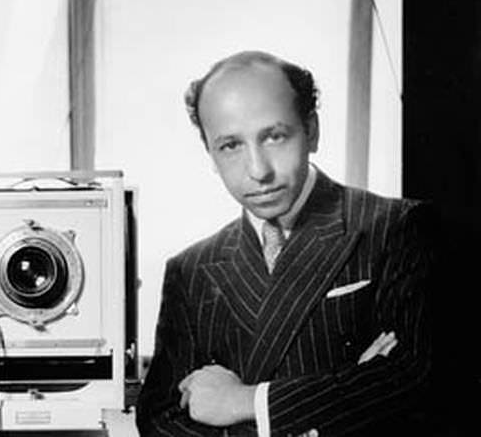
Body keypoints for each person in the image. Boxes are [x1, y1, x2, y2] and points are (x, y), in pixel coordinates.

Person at [136, 51, 433, 437]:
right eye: (231, 146)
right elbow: (159, 421)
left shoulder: (397, 227)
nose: (258, 171)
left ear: (312, 130)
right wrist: (347, 394)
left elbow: (417, 382)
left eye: (274, 137)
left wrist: (244, 402)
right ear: (209, 152)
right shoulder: (191, 269)